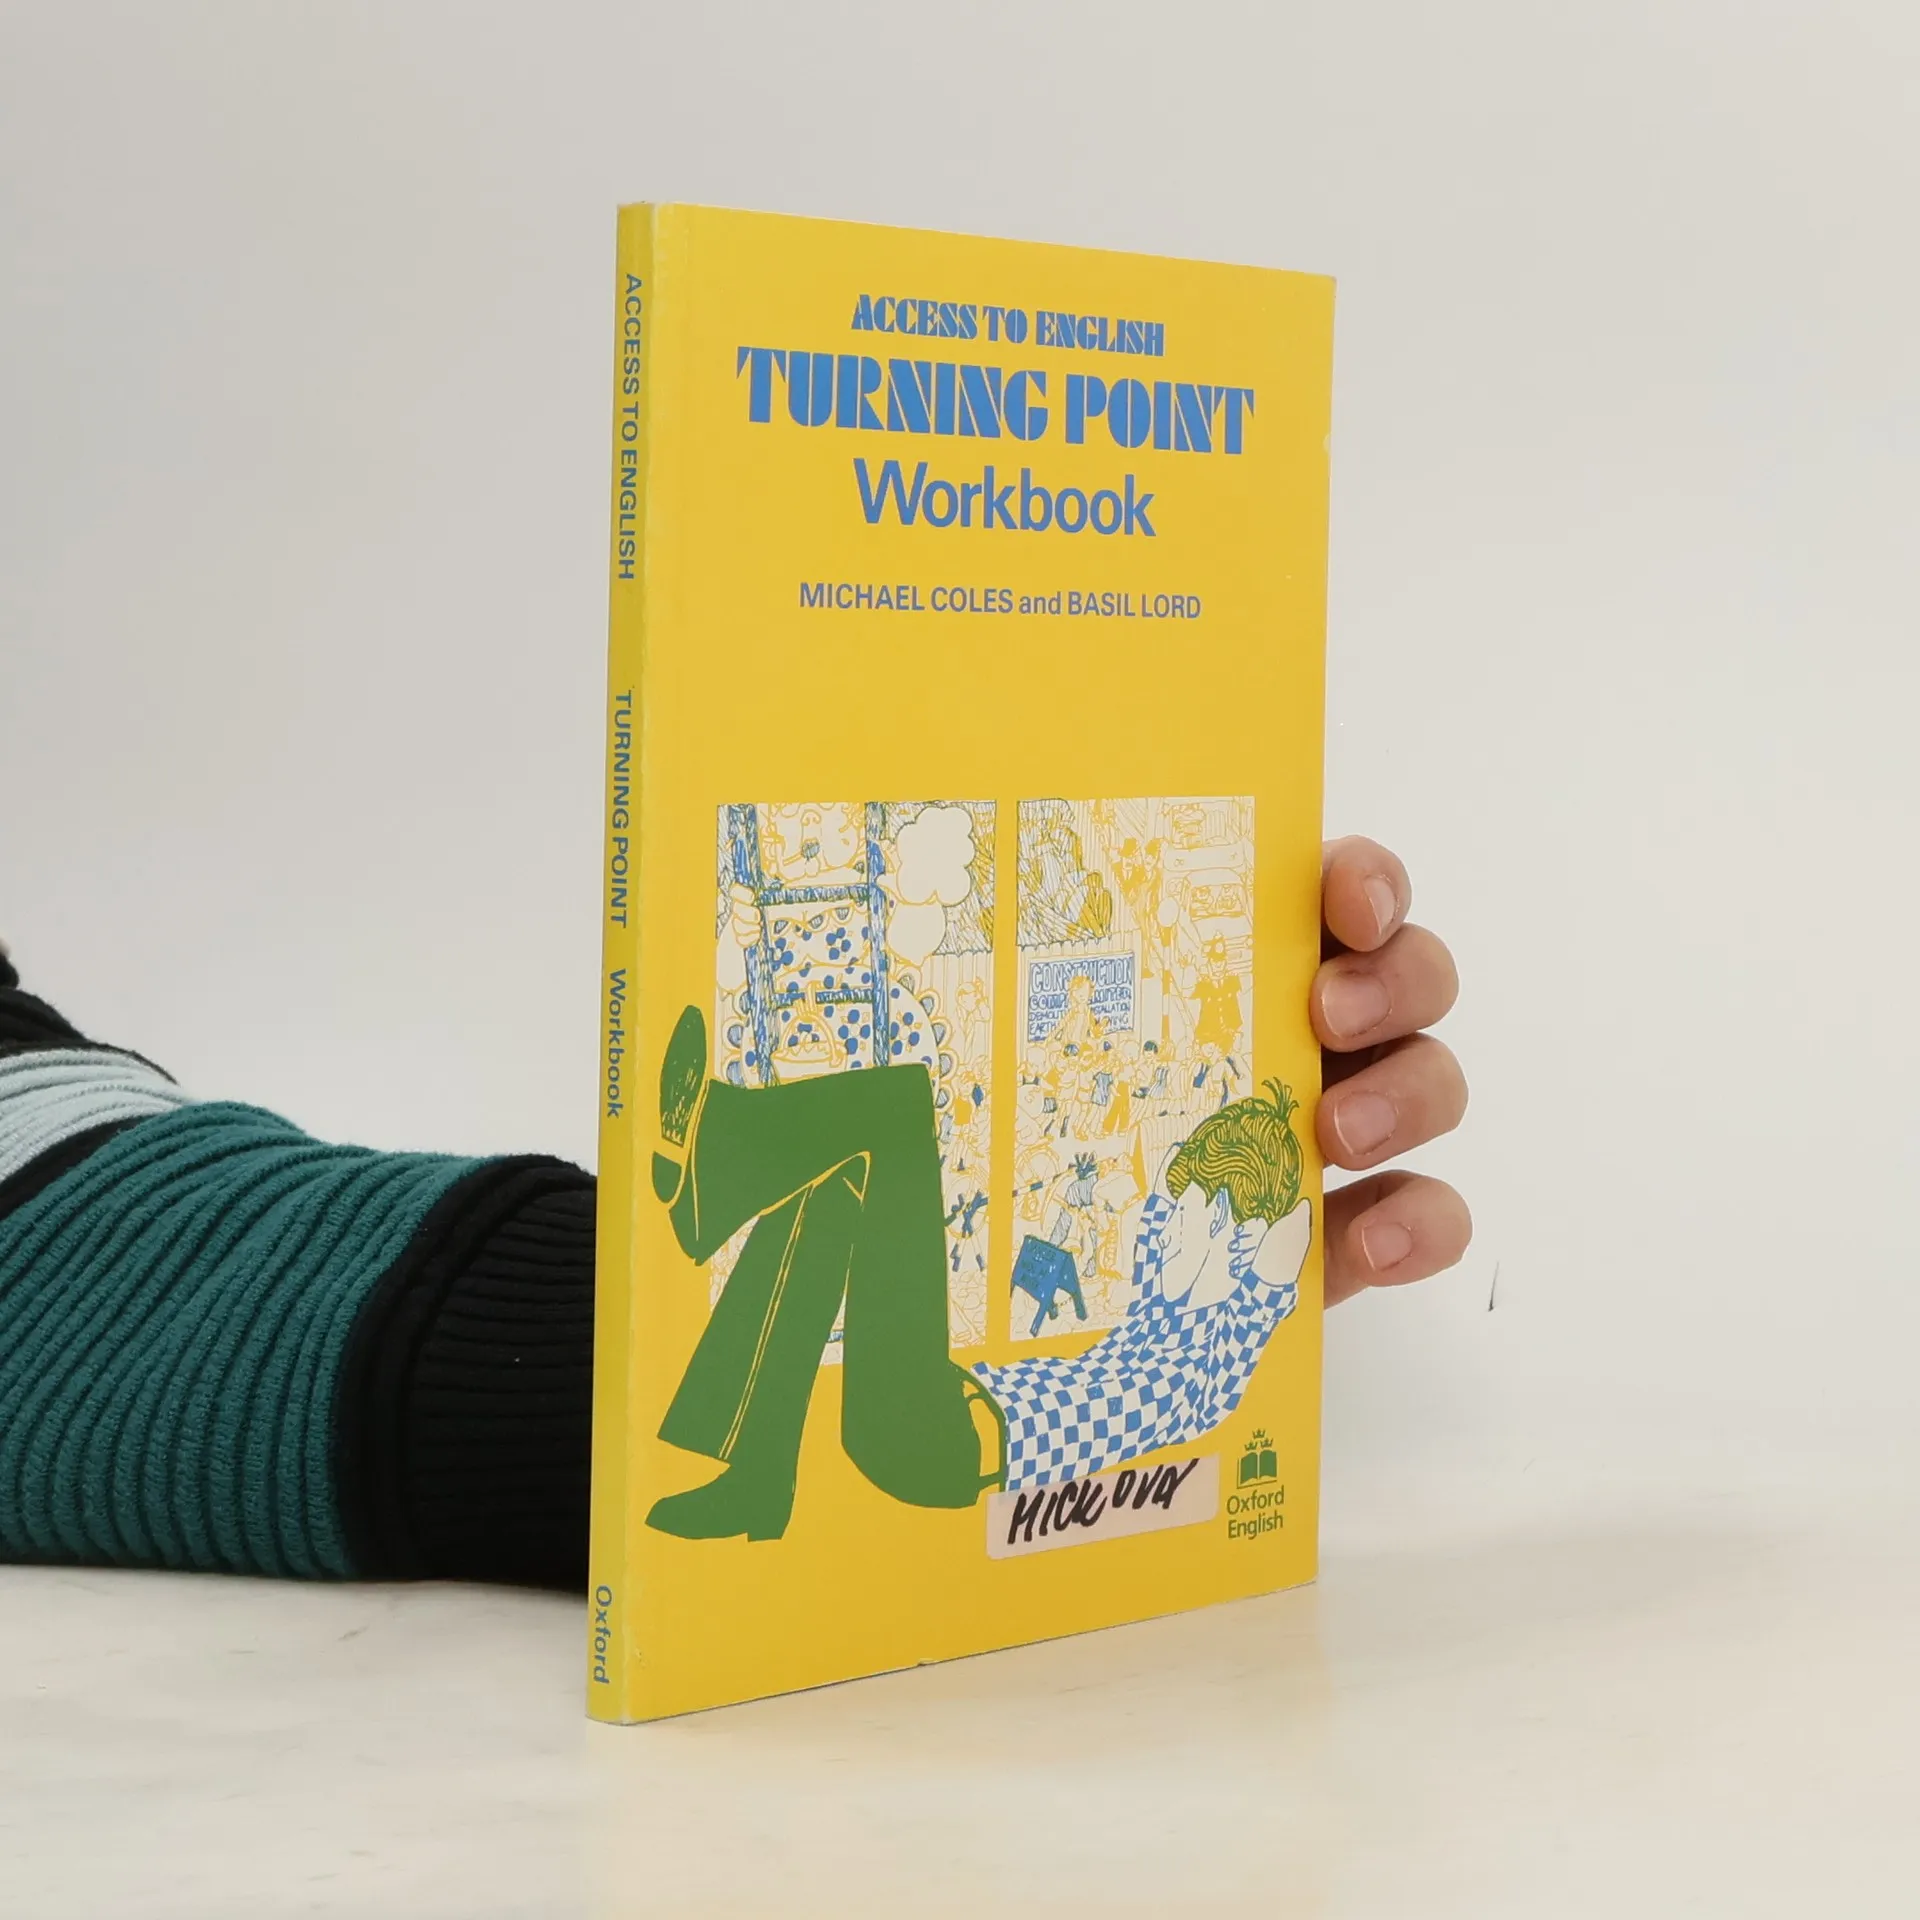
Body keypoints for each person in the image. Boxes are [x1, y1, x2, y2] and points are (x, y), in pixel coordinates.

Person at [0, 836, 1468, 1592]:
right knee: (864, 1157)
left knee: (881, 1127)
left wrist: (1251, 1079)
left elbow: (1156, 1323)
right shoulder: (1190, 1329)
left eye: (1195, 1221)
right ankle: (741, 1405)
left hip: (941, 1438)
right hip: (943, 1423)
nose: (1174, 1228)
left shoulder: (1197, 1340)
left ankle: (712, 1187)